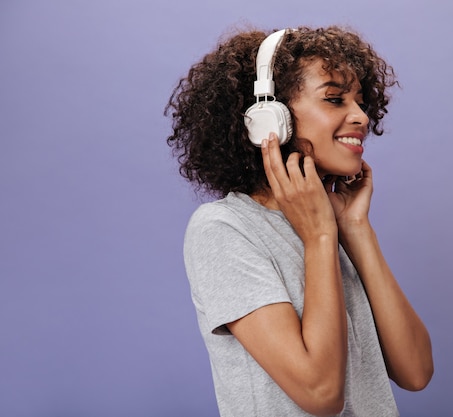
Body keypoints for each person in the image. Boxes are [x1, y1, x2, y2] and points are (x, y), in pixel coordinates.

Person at [165, 25, 433, 417]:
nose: (360, 116)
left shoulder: (329, 228)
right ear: (270, 120)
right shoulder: (223, 229)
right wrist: (321, 236)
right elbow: (321, 393)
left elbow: (416, 372)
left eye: (360, 102)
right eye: (334, 99)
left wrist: (356, 230)